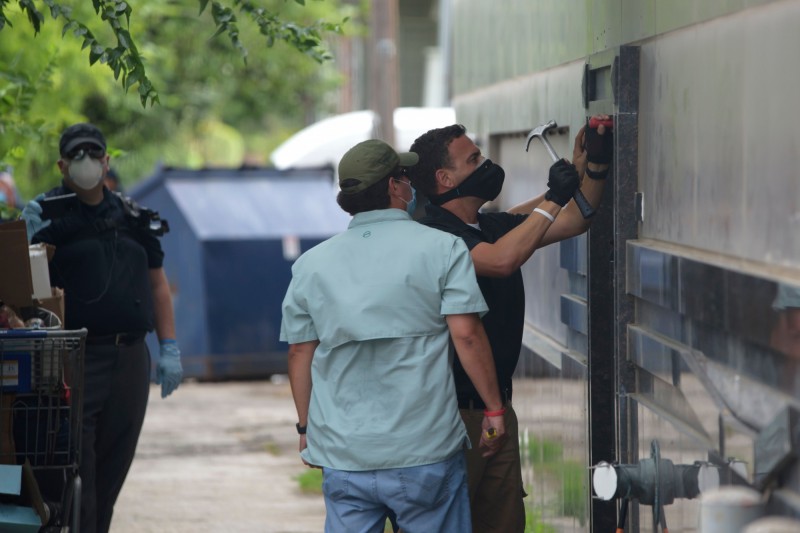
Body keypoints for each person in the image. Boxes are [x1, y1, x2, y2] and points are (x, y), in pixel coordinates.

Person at [280, 139, 508, 532]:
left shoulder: (310, 266)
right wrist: (494, 409)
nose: (409, 184)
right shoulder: (443, 248)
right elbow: (466, 335)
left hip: (344, 453)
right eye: (404, 176)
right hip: (425, 449)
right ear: (394, 187)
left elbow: (301, 352)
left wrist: (306, 429)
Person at [407, 116, 613, 532]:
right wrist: (554, 197)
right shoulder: (432, 237)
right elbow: (501, 261)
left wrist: (593, 167)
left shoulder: (489, 226)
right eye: (474, 159)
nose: (485, 165)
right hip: (449, 420)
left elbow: (576, 219)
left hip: (495, 409)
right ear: (445, 178)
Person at [19, 122, 183, 533]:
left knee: (114, 463)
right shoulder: (48, 215)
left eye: (93, 154)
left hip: (129, 358)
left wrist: (169, 347)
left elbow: (158, 284)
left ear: (107, 161)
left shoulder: (132, 217)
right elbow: (21, 284)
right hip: (74, 358)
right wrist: (24, 237)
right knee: (79, 466)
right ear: (62, 165)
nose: (86, 162)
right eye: (76, 155)